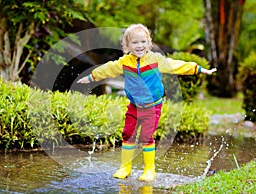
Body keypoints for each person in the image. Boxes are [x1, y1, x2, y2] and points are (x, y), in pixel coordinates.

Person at [77, 24, 216, 181]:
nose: (139, 46)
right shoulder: (124, 62)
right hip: (134, 106)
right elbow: (107, 69)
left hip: (152, 107)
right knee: (128, 134)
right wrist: (90, 78)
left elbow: (176, 65)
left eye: (143, 42)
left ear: (149, 43)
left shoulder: (156, 60)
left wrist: (199, 69)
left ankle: (149, 170)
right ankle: (125, 167)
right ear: (127, 45)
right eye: (135, 42)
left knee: (146, 137)